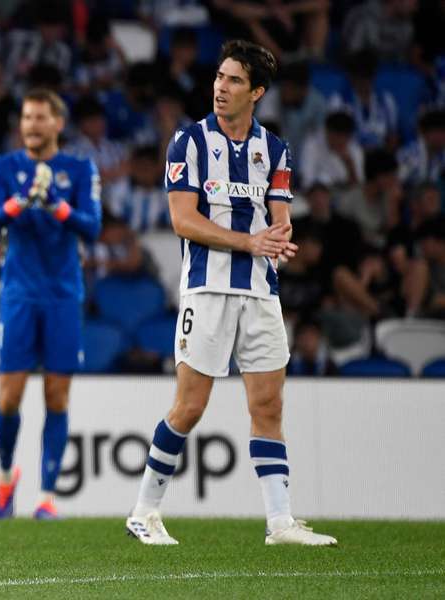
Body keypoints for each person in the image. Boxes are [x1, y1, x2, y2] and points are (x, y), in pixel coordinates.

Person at [125, 40, 337, 546]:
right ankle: (144, 512)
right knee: (190, 407)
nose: (221, 87)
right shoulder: (189, 142)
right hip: (207, 289)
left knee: (268, 406)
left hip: (262, 292)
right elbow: (182, 219)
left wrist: (281, 240)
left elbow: (280, 219)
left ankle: (280, 522)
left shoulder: (276, 150)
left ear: (257, 92)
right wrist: (250, 240)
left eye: (234, 80)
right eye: (219, 77)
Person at [0, 88, 101, 520]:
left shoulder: (80, 168)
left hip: (64, 295)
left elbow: (93, 228)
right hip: (19, 295)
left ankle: (47, 495)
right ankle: (7, 478)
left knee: (57, 395)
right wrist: (20, 200)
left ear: (57, 124)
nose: (31, 125)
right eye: (27, 117)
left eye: (40, 118)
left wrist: (57, 206)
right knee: (9, 397)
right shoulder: (4, 168)